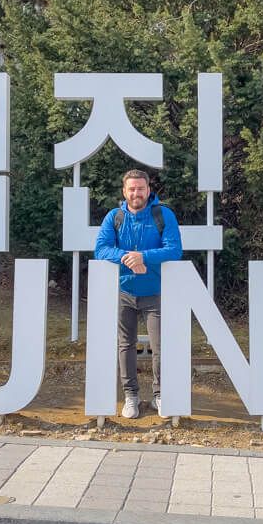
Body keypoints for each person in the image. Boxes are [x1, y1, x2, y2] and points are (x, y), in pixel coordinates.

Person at [94, 169, 182, 419]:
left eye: (140, 189)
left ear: (148, 189)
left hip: (155, 292)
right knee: (126, 345)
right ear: (124, 191)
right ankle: (131, 396)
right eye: (131, 189)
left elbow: (174, 250)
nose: (136, 193)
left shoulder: (163, 215)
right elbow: (100, 250)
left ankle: (160, 395)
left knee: (160, 346)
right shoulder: (115, 217)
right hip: (124, 290)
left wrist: (144, 257)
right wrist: (128, 259)